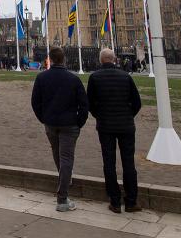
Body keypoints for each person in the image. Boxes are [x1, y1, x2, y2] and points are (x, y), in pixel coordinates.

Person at [31, 46, 88, 212]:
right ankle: (62, 199)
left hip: (51, 124)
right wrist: (79, 122)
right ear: (63, 60)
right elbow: (84, 105)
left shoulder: (42, 78)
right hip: (69, 124)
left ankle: (65, 178)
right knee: (66, 158)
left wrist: (44, 118)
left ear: (50, 59)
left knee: (58, 154)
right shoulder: (73, 79)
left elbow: (35, 102)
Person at [87, 48, 143, 213]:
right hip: (126, 125)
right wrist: (127, 115)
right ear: (114, 59)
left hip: (105, 126)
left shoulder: (95, 77)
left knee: (109, 163)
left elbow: (90, 103)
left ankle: (115, 201)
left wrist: (100, 116)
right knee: (129, 163)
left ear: (101, 60)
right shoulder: (125, 76)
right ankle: (131, 201)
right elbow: (137, 102)